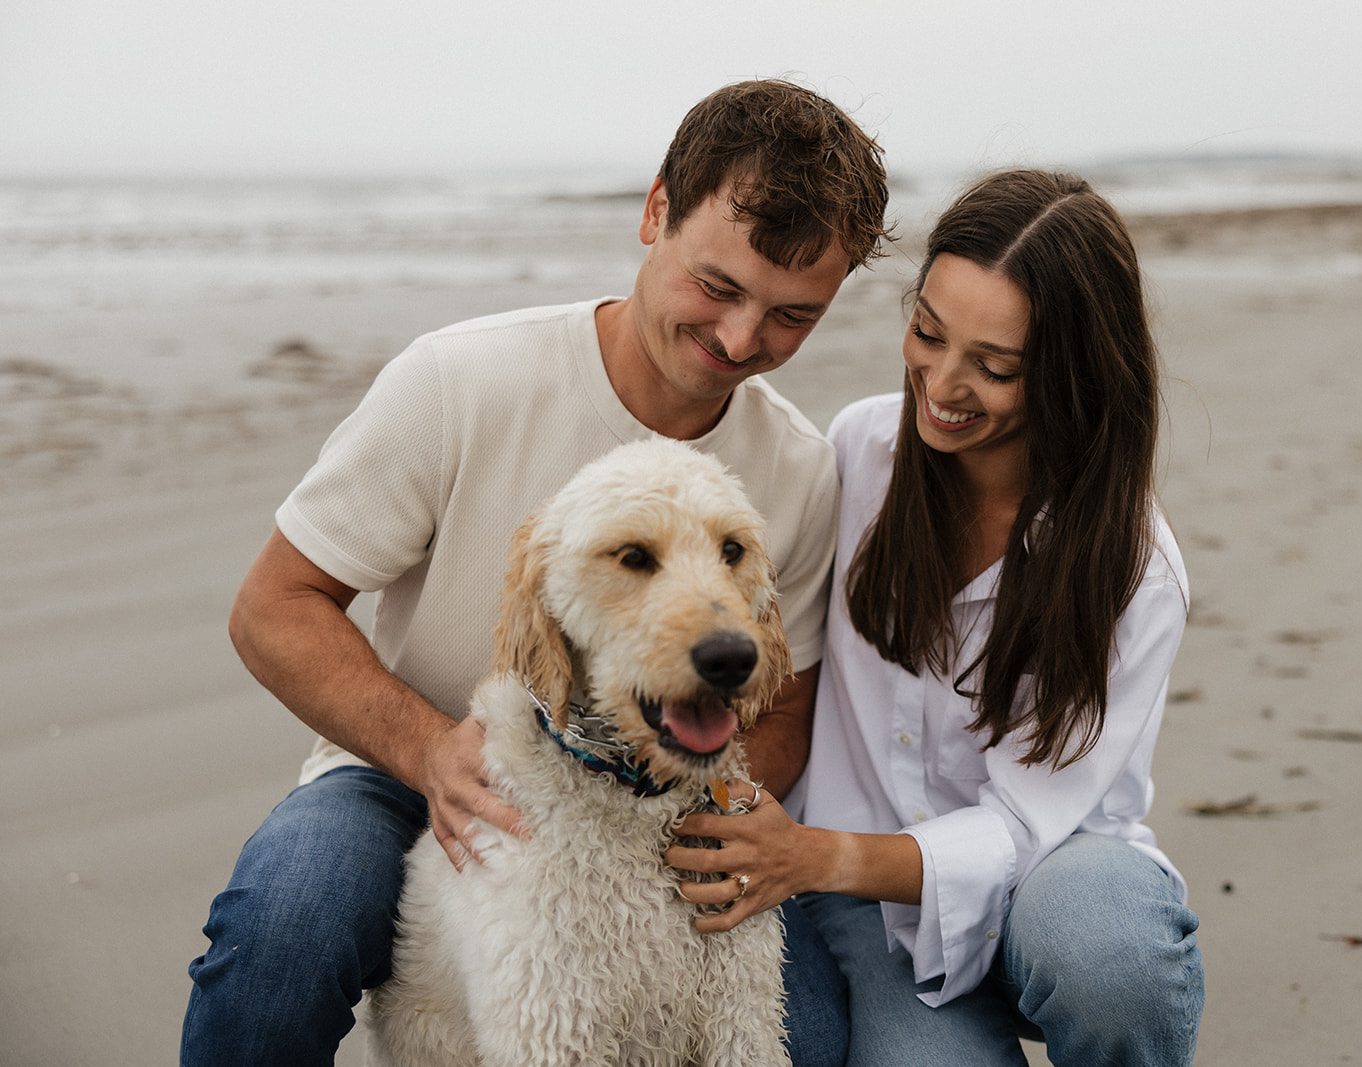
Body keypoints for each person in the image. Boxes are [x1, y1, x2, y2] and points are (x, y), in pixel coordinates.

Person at [181, 79, 890, 1066]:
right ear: (654, 212)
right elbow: (273, 607)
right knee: (282, 927)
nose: (740, 342)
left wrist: (729, 801)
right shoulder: (458, 380)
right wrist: (428, 748)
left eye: (791, 316)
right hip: (414, 762)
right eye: (717, 288)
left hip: (666, 794)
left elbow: (785, 701)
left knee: (807, 1039)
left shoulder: (799, 468)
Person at [668, 169, 1204, 1065]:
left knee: (1108, 955)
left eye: (995, 367)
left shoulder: (1134, 568)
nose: (944, 385)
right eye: (927, 332)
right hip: (874, 917)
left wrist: (809, 856)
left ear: (1072, 377)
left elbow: (1029, 823)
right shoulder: (859, 454)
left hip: (1050, 887)